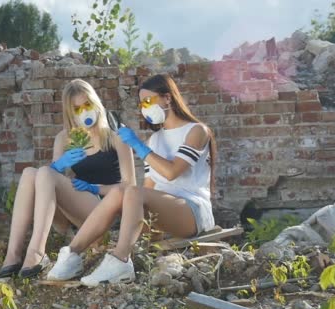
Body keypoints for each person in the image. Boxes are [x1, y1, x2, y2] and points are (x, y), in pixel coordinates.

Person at [47, 73, 217, 286]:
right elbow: (149, 187)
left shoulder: (197, 131)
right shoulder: (155, 139)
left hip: (193, 211)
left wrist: (139, 147)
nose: (145, 108)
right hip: (166, 211)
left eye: (148, 101)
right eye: (141, 103)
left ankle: (120, 261)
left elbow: (172, 173)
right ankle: (72, 254)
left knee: (132, 190)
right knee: (123, 191)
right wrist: (142, 232)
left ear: (167, 98)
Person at [0, 79, 135, 279]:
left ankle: (37, 252)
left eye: (87, 105)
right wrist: (58, 166)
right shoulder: (64, 138)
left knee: (44, 173)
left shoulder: (115, 136)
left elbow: (130, 186)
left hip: (105, 210)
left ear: (96, 103)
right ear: (70, 113)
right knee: (29, 173)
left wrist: (95, 188)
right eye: (77, 109)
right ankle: (13, 255)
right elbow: (50, 183)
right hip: (74, 211)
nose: (84, 112)